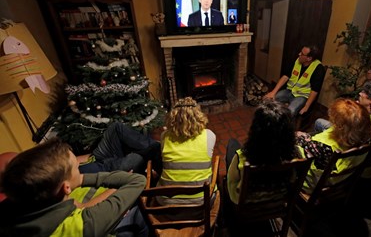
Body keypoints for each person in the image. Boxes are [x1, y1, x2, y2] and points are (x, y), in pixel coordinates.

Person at [0, 138, 147, 237]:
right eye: (77, 168)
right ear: (66, 187)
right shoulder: (82, 226)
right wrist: (82, 179)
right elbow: (137, 181)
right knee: (140, 214)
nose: (80, 169)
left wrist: (73, 179)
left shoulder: (11, 207)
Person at [226, 100, 296, 205]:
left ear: (256, 129)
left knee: (232, 144)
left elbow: (232, 184)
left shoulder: (242, 157)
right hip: (277, 199)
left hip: (247, 201)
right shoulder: (296, 155)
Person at [296, 98, 371, 194]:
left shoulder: (321, 148)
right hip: (339, 181)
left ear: (340, 125)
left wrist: (302, 138)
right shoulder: (368, 141)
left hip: (310, 185)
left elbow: (299, 151)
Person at [157, 97, 216, 205]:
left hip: (167, 201)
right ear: (198, 115)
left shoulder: (164, 136)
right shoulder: (209, 135)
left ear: (173, 117)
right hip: (202, 200)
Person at [78, 121, 161, 175]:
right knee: (142, 156)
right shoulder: (73, 176)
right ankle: (157, 148)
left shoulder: (71, 170)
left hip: (102, 159)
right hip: (106, 167)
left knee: (117, 127)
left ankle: (156, 148)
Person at [264, 45, 326, 116]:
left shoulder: (318, 68)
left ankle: (284, 126)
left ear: (309, 58)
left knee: (291, 111)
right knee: (268, 100)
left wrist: (306, 106)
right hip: (289, 91)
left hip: (302, 96)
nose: (299, 54)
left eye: (302, 54)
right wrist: (273, 92)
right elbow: (285, 76)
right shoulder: (297, 61)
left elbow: (315, 90)